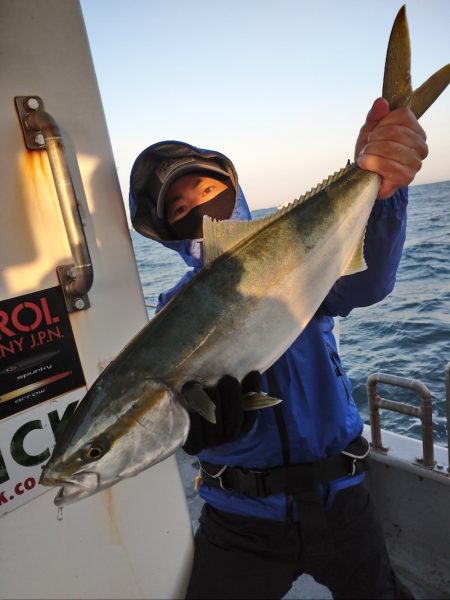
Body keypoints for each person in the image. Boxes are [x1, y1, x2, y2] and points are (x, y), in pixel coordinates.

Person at [129, 97, 428, 600]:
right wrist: (194, 433)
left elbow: (369, 280)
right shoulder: (174, 313)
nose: (200, 210)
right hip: (241, 517)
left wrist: (383, 191)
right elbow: (168, 402)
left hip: (344, 498)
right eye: (180, 210)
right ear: (168, 234)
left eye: (207, 189)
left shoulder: (301, 263)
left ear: (233, 190)